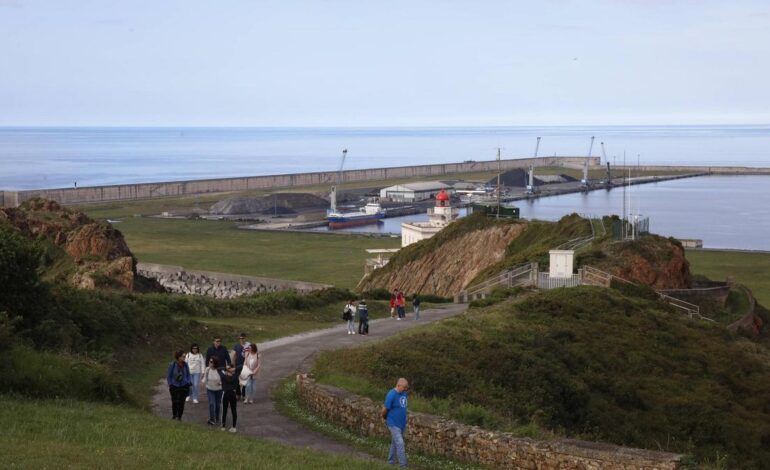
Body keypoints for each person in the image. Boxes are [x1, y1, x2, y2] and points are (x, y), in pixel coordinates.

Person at [381, 378, 409, 467]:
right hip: (393, 423)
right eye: (404, 387)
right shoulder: (391, 394)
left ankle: (390, 462)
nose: (405, 389)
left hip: (402, 424)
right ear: (398, 385)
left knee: (395, 443)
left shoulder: (404, 394)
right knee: (400, 443)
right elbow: (385, 409)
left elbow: (403, 407)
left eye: (406, 387)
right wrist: (386, 418)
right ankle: (403, 466)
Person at [167, 350, 192, 420]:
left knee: (182, 402)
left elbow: (188, 374)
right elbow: (169, 376)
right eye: (183, 356)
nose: (184, 358)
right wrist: (170, 384)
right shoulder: (172, 364)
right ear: (179, 357)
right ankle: (174, 415)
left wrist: (188, 382)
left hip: (184, 386)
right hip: (174, 386)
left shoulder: (185, 364)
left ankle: (179, 417)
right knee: (174, 401)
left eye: (185, 356)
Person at [202, 356, 223, 425]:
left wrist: (221, 383)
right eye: (209, 361)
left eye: (211, 362)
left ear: (215, 363)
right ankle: (212, 419)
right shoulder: (207, 369)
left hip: (219, 390)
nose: (209, 363)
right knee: (211, 404)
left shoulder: (220, 370)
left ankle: (217, 418)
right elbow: (205, 378)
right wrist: (203, 381)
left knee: (217, 404)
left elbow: (224, 379)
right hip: (210, 389)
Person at [219, 364, 239, 432]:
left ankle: (223, 426)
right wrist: (234, 369)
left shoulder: (224, 376)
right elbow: (241, 366)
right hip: (233, 394)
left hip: (226, 394)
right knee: (234, 410)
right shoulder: (235, 376)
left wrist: (226, 368)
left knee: (224, 410)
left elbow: (219, 369)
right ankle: (234, 427)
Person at [233, 333, 247, 399]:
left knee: (244, 380)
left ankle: (244, 395)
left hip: (245, 365)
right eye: (240, 338)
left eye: (242, 338)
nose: (241, 339)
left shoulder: (247, 346)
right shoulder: (236, 346)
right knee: (236, 380)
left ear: (245, 338)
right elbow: (234, 355)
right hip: (237, 365)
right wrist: (233, 364)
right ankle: (238, 394)